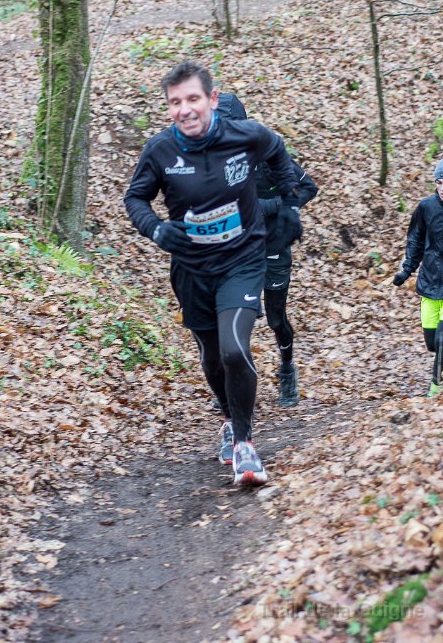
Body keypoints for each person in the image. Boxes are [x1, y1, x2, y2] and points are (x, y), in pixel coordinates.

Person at [124, 61, 299, 486]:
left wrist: (289, 207)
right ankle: (227, 418)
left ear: (212, 99)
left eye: (193, 99)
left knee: (235, 350)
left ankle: (244, 443)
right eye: (175, 102)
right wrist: (157, 229)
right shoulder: (160, 150)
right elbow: (135, 199)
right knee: (212, 354)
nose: (185, 109)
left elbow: (279, 156)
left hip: (242, 261)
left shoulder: (247, 135)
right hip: (191, 269)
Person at [217, 93, 318, 407]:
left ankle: (287, 369)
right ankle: (233, 383)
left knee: (276, 319)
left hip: (272, 247)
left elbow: (308, 187)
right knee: (233, 318)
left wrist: (271, 206)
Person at [393, 159, 443, 397]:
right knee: (432, 343)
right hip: (430, 282)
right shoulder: (426, 207)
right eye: (440, 182)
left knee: (442, 340)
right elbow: (415, 241)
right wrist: (406, 270)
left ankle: (435, 387)